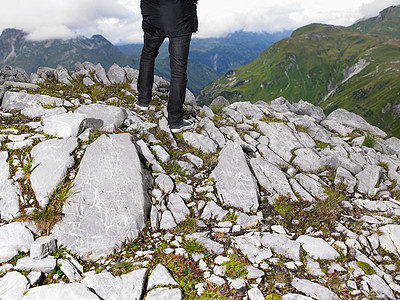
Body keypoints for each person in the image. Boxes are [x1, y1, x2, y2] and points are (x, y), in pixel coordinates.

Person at [137, 0, 198, 133]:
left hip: (153, 14)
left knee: (148, 56)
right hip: (180, 16)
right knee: (178, 69)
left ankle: (142, 101)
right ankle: (175, 121)